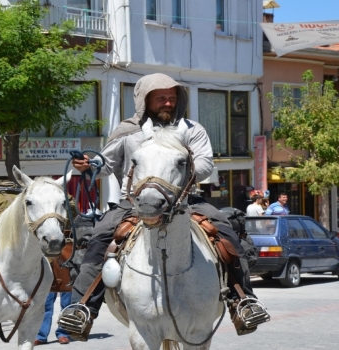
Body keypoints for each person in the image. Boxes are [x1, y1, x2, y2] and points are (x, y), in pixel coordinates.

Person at [58, 73, 269, 340]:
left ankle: (242, 302)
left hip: (185, 200)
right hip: (132, 202)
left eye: (172, 98)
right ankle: (83, 308)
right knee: (101, 238)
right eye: (161, 98)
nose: (168, 103)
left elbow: (205, 164)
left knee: (224, 231)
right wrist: (90, 165)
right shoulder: (128, 131)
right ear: (145, 101)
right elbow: (106, 164)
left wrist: (180, 169)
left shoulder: (192, 130)